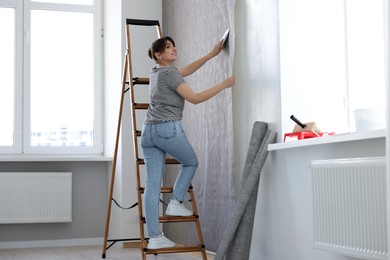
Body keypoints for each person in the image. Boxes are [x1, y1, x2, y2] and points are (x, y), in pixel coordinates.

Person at [140, 36, 235, 250]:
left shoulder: (156, 73)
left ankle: (154, 236)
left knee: (152, 185)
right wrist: (224, 84)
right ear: (158, 54)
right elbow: (195, 98)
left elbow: (186, 70)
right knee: (190, 162)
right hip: (167, 128)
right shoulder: (170, 73)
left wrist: (212, 54)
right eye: (168, 47)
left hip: (148, 132)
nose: (173, 49)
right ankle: (176, 201)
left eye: (174, 45)